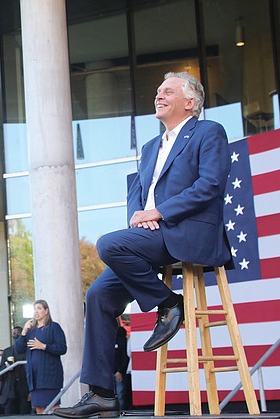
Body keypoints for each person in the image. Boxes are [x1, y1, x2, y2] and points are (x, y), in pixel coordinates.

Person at [53, 72, 231, 419]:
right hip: (151, 234)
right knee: (98, 296)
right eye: (158, 91)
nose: (158, 96)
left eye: (168, 91)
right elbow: (136, 192)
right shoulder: (151, 147)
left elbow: (210, 185)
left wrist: (158, 212)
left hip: (185, 231)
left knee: (108, 245)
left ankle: (169, 304)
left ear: (190, 103)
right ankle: (102, 396)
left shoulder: (208, 132)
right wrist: (139, 215)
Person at [14, 300, 67, 414]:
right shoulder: (30, 331)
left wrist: (43, 346)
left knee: (54, 408)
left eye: (39, 308)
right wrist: (23, 332)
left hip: (50, 376)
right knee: (39, 409)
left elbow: (62, 348)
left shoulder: (54, 327)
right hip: (34, 378)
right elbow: (18, 350)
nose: (36, 311)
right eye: (34, 309)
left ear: (46, 311)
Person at [0, 326, 31, 414]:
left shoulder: (28, 350)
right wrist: (7, 366)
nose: (16, 335)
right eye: (14, 333)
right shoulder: (7, 351)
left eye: (18, 333)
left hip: (25, 389)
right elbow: (0, 371)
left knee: (25, 413)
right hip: (10, 391)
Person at [113, 326, 130, 410]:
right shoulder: (112, 342)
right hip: (114, 371)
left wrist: (120, 370)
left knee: (119, 394)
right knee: (118, 394)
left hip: (119, 372)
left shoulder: (122, 342)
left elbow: (125, 357)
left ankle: (120, 411)